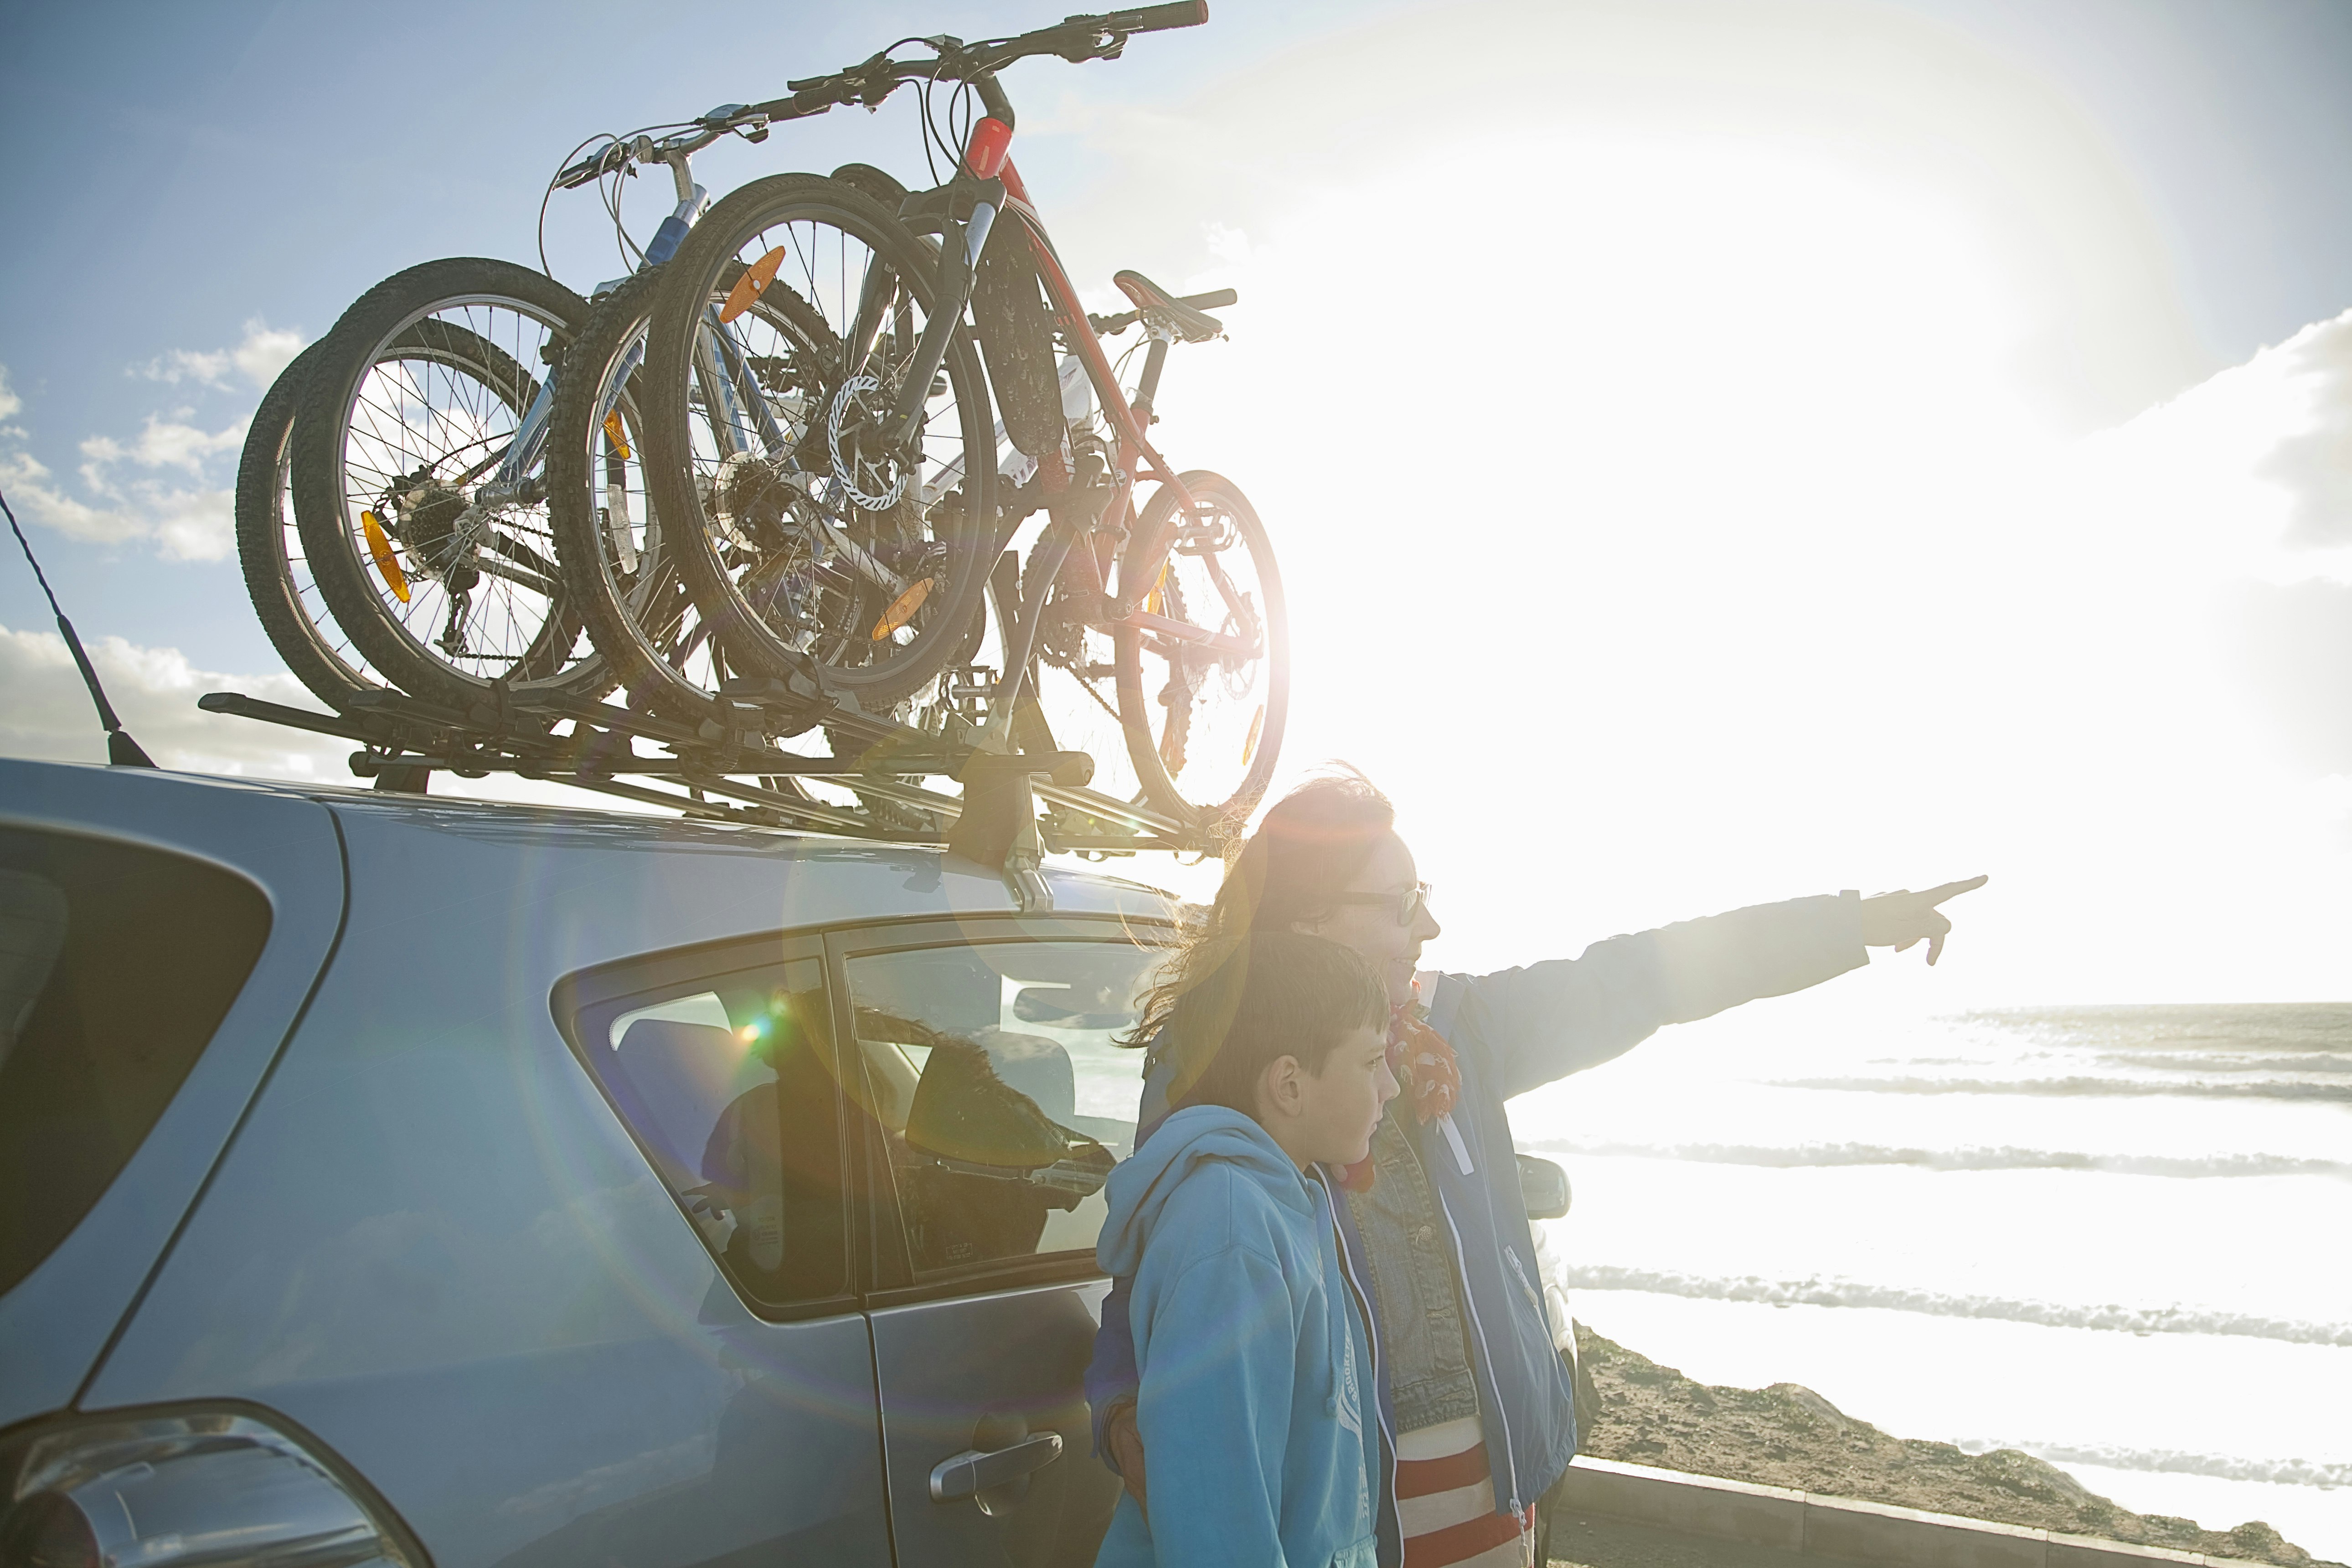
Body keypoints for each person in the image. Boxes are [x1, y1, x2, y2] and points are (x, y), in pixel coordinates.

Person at [1088, 772, 1986, 1568]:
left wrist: (1849, 924)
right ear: (1310, 916)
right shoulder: (1216, 1060)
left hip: (1497, 1511)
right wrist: (1128, 1418)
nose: (1430, 924)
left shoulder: (1463, 1028)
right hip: (1346, 1523)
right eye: (1402, 901)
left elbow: (1642, 977)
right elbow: (1164, 1274)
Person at [1092, 930, 1400, 1568]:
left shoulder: (1294, 1198)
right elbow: (1217, 1519)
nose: (1391, 1087)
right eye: (1372, 1062)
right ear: (1289, 1085)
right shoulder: (1231, 1230)